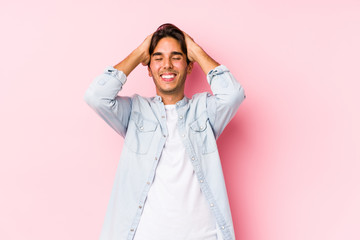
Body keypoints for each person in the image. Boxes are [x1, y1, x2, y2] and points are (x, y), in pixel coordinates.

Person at [84, 23, 246, 240]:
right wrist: (139, 52)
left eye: (176, 57)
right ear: (149, 69)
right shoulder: (135, 111)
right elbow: (96, 96)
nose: (167, 65)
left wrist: (196, 51)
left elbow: (233, 95)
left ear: (189, 66)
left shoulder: (204, 111)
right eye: (158, 58)